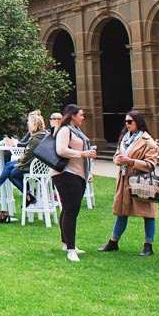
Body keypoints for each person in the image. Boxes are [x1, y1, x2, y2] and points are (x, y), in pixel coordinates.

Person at [97, 110, 159, 256]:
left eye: (130, 121)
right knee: (121, 211)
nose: (127, 124)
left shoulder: (146, 140)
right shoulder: (125, 138)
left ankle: (148, 245)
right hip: (124, 179)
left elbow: (151, 163)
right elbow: (117, 154)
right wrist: (117, 160)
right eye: (125, 121)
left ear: (138, 122)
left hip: (140, 180)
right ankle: (113, 242)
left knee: (148, 213)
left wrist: (132, 162)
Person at [52, 104, 97, 262]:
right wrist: (82, 153)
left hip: (78, 174)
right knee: (71, 210)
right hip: (66, 174)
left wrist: (88, 168)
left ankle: (67, 243)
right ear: (72, 116)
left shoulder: (77, 131)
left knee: (69, 209)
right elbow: (61, 150)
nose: (83, 117)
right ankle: (71, 249)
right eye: (81, 115)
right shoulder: (65, 130)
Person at [0, 112, 48, 205]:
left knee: (12, 174)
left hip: (32, 167)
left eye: (29, 122)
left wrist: (19, 160)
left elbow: (28, 155)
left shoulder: (35, 139)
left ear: (34, 125)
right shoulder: (45, 135)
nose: (28, 124)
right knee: (8, 165)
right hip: (42, 167)